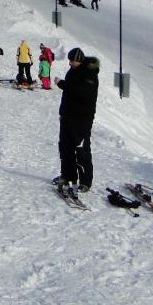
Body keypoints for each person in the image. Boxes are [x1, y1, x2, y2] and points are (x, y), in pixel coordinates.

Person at [54, 47, 100, 195]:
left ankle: (85, 181)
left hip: (81, 120)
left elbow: (82, 92)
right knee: (65, 147)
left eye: (72, 60)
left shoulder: (89, 74)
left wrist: (62, 84)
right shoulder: (73, 70)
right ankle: (67, 175)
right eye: (69, 60)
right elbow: (70, 93)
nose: (70, 63)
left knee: (81, 150)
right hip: (67, 117)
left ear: (79, 60)